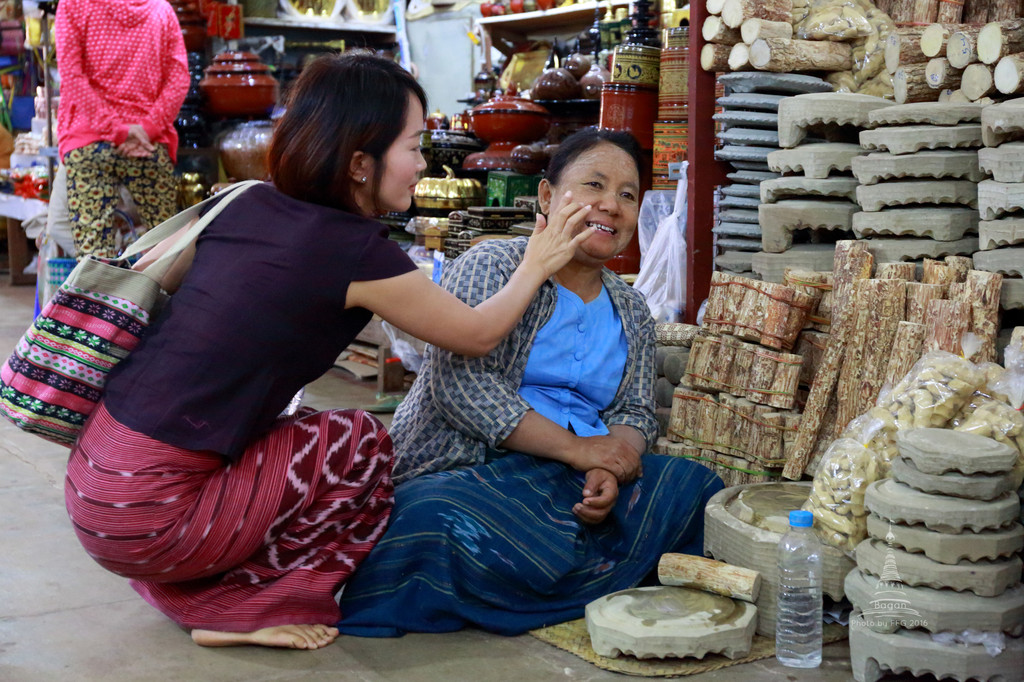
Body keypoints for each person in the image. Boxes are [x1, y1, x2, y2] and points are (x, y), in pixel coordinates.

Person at [64, 53, 596, 651]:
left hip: (95, 481)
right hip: (147, 513)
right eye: (415, 147)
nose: (423, 165)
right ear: (361, 163)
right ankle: (232, 604)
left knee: (300, 428)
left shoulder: (248, 202)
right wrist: (537, 260)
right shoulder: (353, 250)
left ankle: (184, 580)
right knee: (361, 445)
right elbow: (474, 334)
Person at [335, 129, 725, 637]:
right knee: (429, 518)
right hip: (480, 472)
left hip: (574, 479)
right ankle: (590, 577)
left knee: (695, 487)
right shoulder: (492, 265)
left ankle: (547, 577)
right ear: (546, 196)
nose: (610, 205)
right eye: (593, 186)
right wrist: (574, 450)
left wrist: (614, 462)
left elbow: (634, 411)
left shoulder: (630, 307)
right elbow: (459, 387)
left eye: (627, 196)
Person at [55, 0, 189, 259]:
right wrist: (146, 129)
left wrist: (115, 129)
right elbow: (179, 79)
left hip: (90, 145)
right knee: (165, 252)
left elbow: (71, 75)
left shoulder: (73, 4)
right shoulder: (162, 10)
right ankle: (155, 298)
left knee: (94, 256)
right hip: (148, 147)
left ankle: (100, 296)